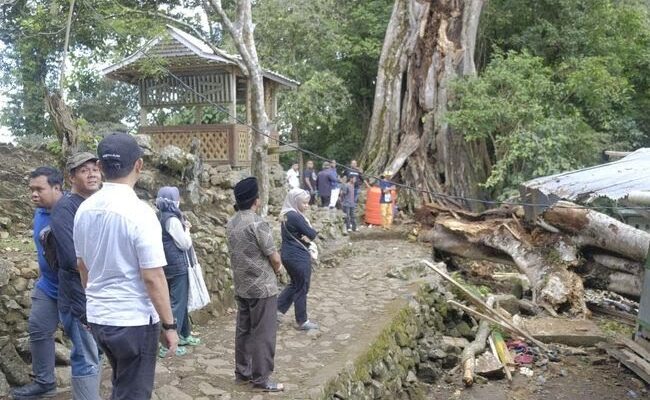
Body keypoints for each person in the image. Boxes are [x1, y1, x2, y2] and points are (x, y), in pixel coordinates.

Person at [74, 133, 178, 400]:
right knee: (133, 392)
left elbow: (82, 266)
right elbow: (153, 277)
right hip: (133, 320)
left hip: (100, 317)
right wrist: (169, 325)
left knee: (122, 383)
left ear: (99, 166)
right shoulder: (140, 213)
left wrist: (97, 299)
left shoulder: (84, 210)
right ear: (139, 165)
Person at [50, 152, 102, 400]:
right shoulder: (65, 208)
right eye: (84, 170)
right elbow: (72, 259)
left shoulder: (98, 202)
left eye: (95, 168)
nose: (92, 173)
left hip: (95, 294)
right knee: (85, 355)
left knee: (95, 353)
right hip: (76, 296)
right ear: (71, 177)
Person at [226, 177, 284, 392]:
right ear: (255, 200)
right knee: (264, 334)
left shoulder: (231, 223)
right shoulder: (258, 223)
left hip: (242, 285)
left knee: (243, 331)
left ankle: (242, 373)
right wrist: (278, 270)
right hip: (262, 288)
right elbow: (274, 257)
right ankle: (262, 379)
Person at [12, 167, 64, 400]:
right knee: (38, 329)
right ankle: (45, 382)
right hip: (47, 285)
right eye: (31, 189)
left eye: (39, 189)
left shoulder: (70, 212)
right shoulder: (40, 212)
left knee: (86, 341)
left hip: (72, 288)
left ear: (57, 188)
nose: (33, 194)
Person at [155, 186, 201, 358]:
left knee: (179, 302)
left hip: (166, 264)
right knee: (177, 303)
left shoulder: (158, 216)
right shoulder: (172, 219)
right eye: (176, 197)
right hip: (177, 266)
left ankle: (184, 335)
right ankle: (168, 343)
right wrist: (187, 229)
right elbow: (184, 243)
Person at [277, 189, 319, 331]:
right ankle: (302, 321)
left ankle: (276, 310)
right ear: (295, 202)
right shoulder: (296, 217)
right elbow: (312, 234)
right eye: (304, 203)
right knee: (302, 287)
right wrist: (307, 235)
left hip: (287, 254)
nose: (306, 206)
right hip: (298, 256)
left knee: (294, 284)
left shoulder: (286, 215)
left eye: (307, 203)